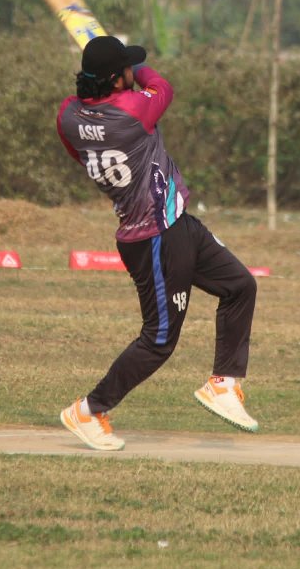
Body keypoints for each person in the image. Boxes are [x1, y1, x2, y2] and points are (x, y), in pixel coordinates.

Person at [56, 35, 258, 451]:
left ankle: (223, 383)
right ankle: (90, 409)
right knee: (160, 338)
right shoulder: (132, 111)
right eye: (127, 69)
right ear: (116, 80)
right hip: (153, 238)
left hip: (176, 225)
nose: (135, 73)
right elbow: (161, 86)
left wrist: (119, 67)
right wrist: (137, 67)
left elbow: (85, 147)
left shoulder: (68, 117)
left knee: (240, 286)